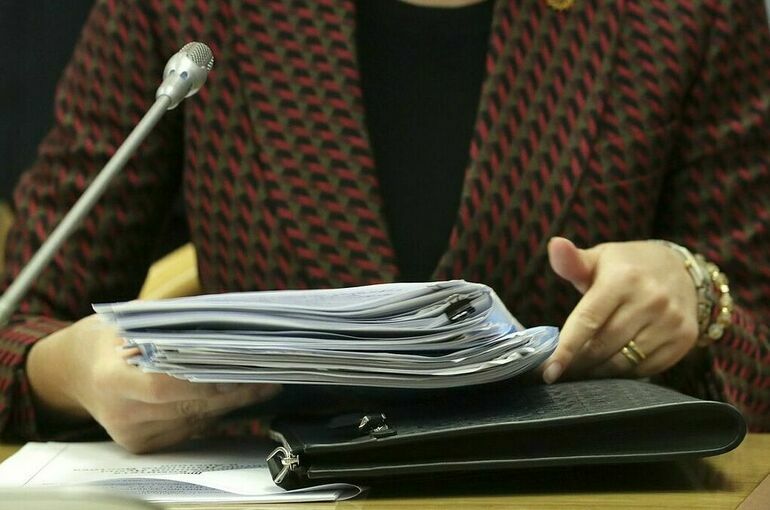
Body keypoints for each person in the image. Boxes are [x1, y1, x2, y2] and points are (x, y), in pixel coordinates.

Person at [1, 0, 768, 453]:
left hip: (573, 489)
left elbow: (758, 345)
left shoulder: (684, 12)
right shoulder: (185, 11)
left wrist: (700, 299)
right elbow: (18, 320)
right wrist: (73, 371)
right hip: (266, 488)